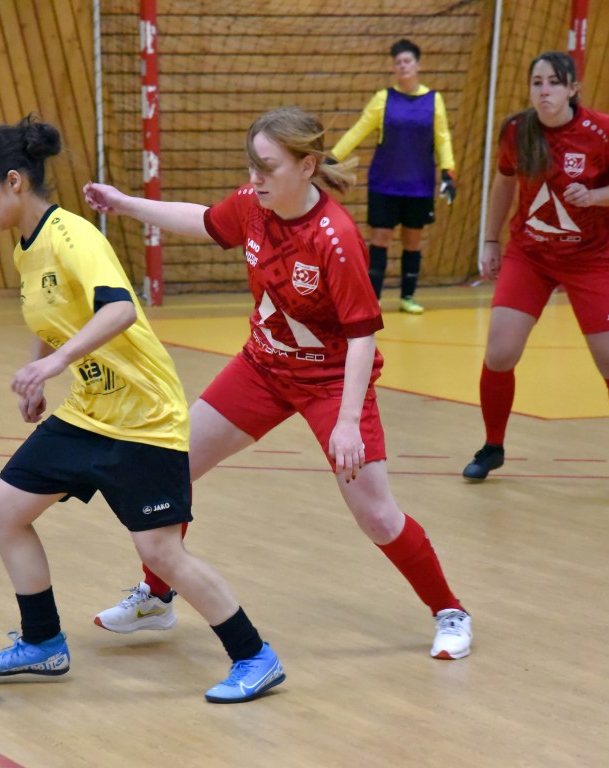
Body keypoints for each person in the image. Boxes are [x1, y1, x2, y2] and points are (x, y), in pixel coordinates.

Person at [83, 107, 473, 661]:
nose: (255, 177)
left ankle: (450, 611)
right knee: (171, 466)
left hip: (330, 382)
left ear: (306, 166)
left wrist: (347, 422)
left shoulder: (335, 237)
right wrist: (124, 202)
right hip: (263, 368)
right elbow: (203, 219)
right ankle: (157, 595)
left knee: (376, 514)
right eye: (252, 165)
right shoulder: (253, 205)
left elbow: (362, 336)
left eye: (267, 166)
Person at [0, 116, 285, 704]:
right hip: (90, 412)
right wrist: (38, 372)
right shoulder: (25, 249)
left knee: (160, 551)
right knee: (3, 512)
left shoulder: (74, 236)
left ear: (14, 181)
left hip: (144, 419)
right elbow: (54, 317)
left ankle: (254, 656)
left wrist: (54, 366)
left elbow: (119, 311)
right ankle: (42, 643)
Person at [462, 51, 609, 494]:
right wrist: (491, 240)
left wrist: (595, 197)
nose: (544, 90)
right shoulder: (517, 130)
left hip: (591, 258)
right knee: (500, 352)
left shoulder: (601, 130)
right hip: (530, 256)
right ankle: (492, 447)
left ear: (573, 89)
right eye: (537, 82)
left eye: (554, 82)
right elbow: (504, 182)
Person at [329, 39, 456, 315]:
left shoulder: (434, 100)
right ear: (394, 68)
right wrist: (334, 157)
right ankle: (372, 299)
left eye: (407, 61)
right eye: (398, 62)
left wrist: (448, 171)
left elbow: (443, 138)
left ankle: (407, 297)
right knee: (380, 238)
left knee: (413, 241)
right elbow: (358, 130)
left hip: (419, 185)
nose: (403, 66)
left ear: (418, 65)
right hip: (385, 183)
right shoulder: (383, 99)